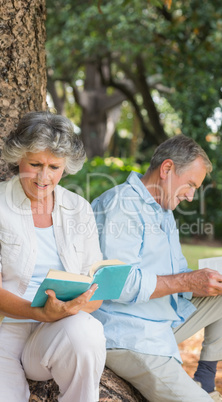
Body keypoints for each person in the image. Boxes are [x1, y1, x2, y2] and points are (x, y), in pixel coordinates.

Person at [91, 134, 222, 402]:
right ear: (167, 169)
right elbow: (120, 283)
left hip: (160, 321)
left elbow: (177, 280)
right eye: (190, 185)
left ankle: (206, 383)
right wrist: (188, 282)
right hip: (129, 335)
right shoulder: (122, 206)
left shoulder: (162, 211)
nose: (190, 196)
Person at [0, 111, 106, 402]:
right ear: (19, 157)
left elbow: (94, 284)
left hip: (56, 330)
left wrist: (75, 306)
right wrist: (37, 312)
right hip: (5, 330)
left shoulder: (79, 209)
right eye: (34, 164)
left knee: (86, 331)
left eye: (54, 167)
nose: (43, 177)